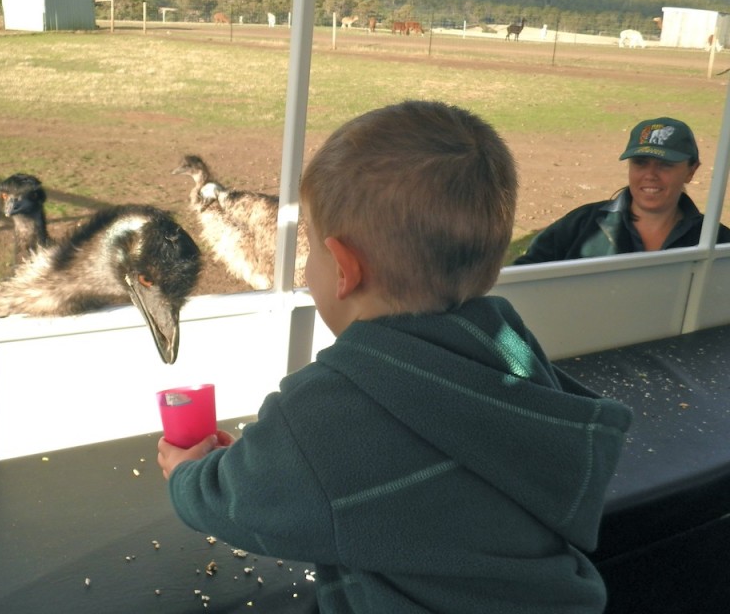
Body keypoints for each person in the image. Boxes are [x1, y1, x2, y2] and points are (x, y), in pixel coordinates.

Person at [157, 100, 632, 613]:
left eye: (312, 247)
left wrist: (189, 473)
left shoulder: (327, 407)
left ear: (343, 267)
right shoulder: (511, 348)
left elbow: (240, 502)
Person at [513, 116, 730, 265]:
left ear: (691, 171)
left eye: (665, 165)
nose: (650, 174)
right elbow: (522, 279)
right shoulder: (582, 225)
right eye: (640, 163)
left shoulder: (717, 241)